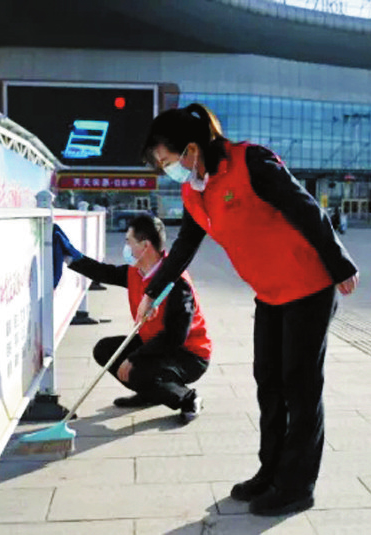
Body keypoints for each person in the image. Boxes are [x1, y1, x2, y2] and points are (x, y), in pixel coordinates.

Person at [138, 103, 359, 516]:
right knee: (268, 383)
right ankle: (270, 471)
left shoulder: (250, 161)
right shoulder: (194, 190)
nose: (168, 170)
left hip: (309, 287)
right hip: (270, 293)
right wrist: (154, 291)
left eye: (168, 161)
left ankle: (297, 486)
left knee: (300, 387)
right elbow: (184, 246)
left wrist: (340, 262)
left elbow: (304, 207)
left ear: (191, 149)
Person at [53, 215, 211, 423]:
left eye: (129, 241)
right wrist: (71, 256)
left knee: (137, 370)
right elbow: (105, 273)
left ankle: (188, 398)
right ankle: (150, 393)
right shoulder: (137, 272)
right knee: (105, 350)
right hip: (154, 342)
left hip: (188, 354)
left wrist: (135, 357)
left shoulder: (177, 283)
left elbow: (174, 337)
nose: (125, 247)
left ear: (145, 246)